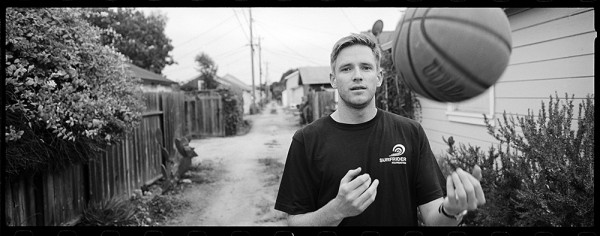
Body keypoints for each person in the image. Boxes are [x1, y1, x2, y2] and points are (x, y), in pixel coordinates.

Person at [274, 33, 485, 226]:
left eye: (366, 67)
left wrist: (452, 210)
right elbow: (294, 224)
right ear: (333, 80)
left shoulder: (410, 133)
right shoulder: (307, 140)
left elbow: (433, 219)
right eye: (346, 68)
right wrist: (336, 210)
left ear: (379, 77)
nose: (357, 76)